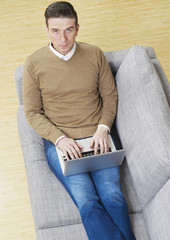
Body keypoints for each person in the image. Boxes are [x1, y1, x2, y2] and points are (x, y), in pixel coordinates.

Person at [23, 1, 136, 239]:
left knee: (113, 197)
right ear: (46, 30)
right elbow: (32, 112)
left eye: (68, 30)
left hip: (98, 136)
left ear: (77, 28)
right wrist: (59, 139)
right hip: (60, 141)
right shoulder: (33, 63)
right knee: (87, 202)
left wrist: (103, 128)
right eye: (55, 30)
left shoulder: (95, 54)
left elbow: (110, 96)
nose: (63, 38)